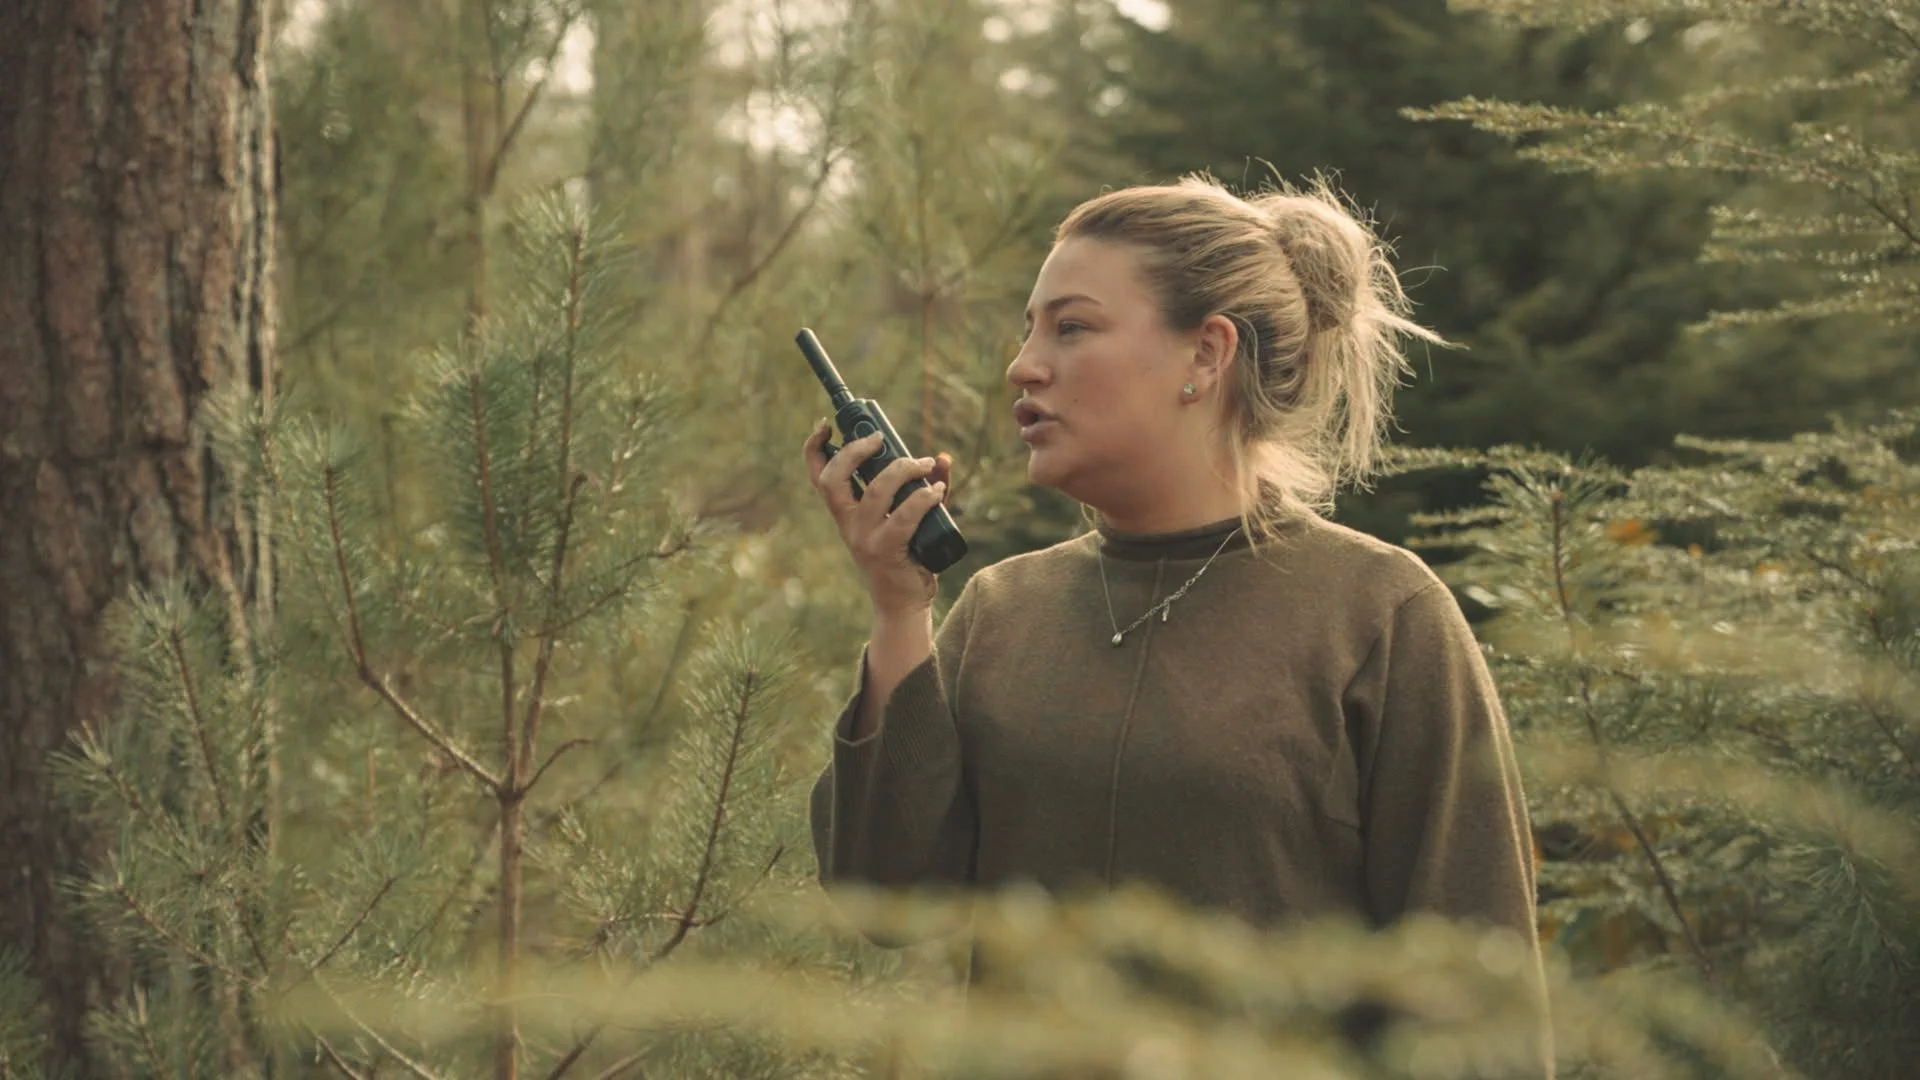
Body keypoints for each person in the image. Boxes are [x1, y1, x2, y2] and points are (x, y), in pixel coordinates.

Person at [801, 173, 1551, 1075]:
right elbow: (883, 895)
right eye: (1028, 330)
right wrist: (897, 606)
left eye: (1072, 327)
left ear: (1206, 355)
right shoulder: (1002, 613)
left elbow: (1476, 1006)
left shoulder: (1381, 616)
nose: (1025, 365)